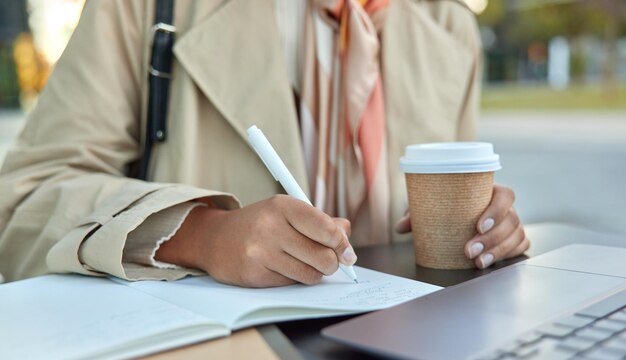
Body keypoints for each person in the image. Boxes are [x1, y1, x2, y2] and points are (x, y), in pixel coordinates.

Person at [0, 0, 529, 286]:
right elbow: (24, 201)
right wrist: (202, 234)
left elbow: (439, 197)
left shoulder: (450, 26)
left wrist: (483, 229)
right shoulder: (145, 8)